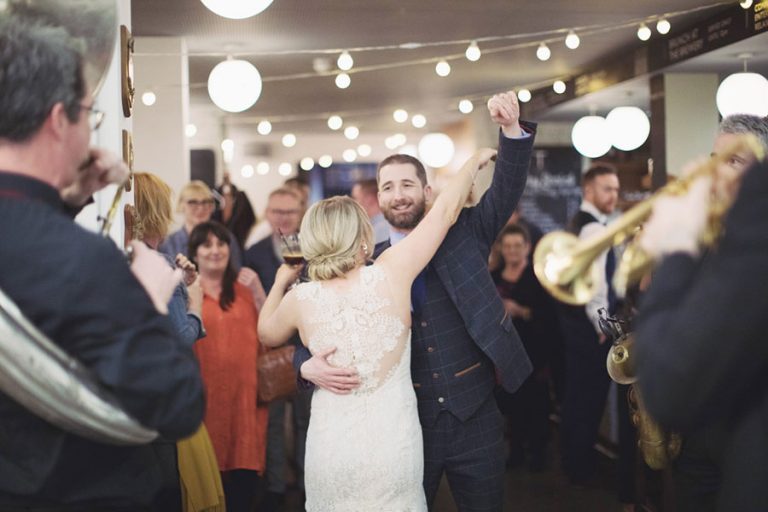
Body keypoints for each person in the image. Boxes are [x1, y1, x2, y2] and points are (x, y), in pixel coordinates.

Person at [295, 91, 536, 510]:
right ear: (379, 199)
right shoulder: (360, 260)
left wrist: (510, 131)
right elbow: (317, 317)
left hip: (474, 411)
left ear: (427, 191)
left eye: (407, 184)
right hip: (405, 423)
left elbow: (506, 189)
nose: (398, 194)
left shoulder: (466, 231)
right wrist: (304, 364)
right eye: (388, 187)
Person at [0, 18, 204, 510]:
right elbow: (177, 407)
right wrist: (151, 302)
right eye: (88, 115)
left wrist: (69, 200)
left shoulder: (48, 242)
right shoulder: (85, 261)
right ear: (57, 120)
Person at [259, 146, 498, 510]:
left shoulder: (300, 299)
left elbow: (266, 334)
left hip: (332, 445)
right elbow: (445, 212)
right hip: (394, 444)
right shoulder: (391, 272)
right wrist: (473, 162)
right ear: (364, 236)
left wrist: (280, 282)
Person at [635, 114, 768, 512]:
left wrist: (676, 248)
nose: (717, 172)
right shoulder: (717, 231)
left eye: (734, 161)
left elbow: (669, 384)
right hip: (701, 424)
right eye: (715, 158)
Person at [188, 221, 269, 512]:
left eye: (221, 243)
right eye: (206, 245)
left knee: (242, 487)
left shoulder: (245, 290)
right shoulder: (186, 295)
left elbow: (271, 333)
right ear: (194, 253)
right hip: (203, 400)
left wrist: (260, 291)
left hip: (244, 401)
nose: (215, 251)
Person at [242, 186, 310, 511]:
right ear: (267, 214)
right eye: (276, 211)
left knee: (306, 420)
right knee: (272, 423)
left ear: (300, 213)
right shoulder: (252, 253)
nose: (282, 218)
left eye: (289, 212)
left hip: (308, 347)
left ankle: (307, 481)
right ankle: (277, 485)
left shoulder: (314, 248)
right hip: (270, 349)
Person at [557, 163, 621, 486]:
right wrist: (602, 325)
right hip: (589, 327)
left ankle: (572, 463)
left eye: (616, 189)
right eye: (607, 188)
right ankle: (581, 470)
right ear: (589, 191)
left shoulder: (576, 222)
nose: (614, 195)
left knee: (575, 397)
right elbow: (596, 286)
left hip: (572, 323)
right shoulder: (594, 227)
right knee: (588, 399)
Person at [491, 224, 560, 472]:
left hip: (534, 353)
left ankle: (538, 456)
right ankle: (516, 451)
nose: (512, 251)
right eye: (507, 246)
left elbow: (551, 317)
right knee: (512, 407)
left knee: (537, 406)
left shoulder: (539, 278)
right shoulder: (494, 276)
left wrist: (521, 311)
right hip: (504, 355)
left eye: (517, 246)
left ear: (528, 248)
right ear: (501, 249)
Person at [159, 180, 242, 270]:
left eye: (206, 202)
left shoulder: (226, 238)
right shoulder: (168, 244)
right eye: (193, 202)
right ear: (181, 205)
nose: (200, 208)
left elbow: (236, 272)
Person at [351, 177, 389, 244]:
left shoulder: (380, 230)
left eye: (355, 198)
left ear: (369, 199)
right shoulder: (375, 227)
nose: (353, 203)